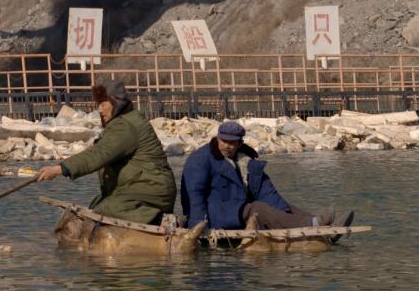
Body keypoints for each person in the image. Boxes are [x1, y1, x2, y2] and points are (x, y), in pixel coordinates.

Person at [35, 80, 176, 225]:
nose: (100, 110)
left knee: (104, 211)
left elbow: (99, 155)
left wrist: (60, 169)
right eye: (98, 105)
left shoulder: (124, 125)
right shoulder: (125, 121)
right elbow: (99, 150)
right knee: (96, 205)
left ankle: (155, 218)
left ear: (116, 103)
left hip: (150, 191)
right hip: (142, 189)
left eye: (103, 104)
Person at [180, 120, 352, 231]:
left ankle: (316, 222)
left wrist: (283, 210)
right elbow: (194, 194)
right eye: (223, 141)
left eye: (232, 143)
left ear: (240, 143)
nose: (227, 146)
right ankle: (313, 226)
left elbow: (265, 191)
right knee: (257, 209)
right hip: (215, 213)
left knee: (283, 206)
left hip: (237, 207)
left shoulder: (246, 161)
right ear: (217, 138)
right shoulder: (200, 159)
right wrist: (198, 225)